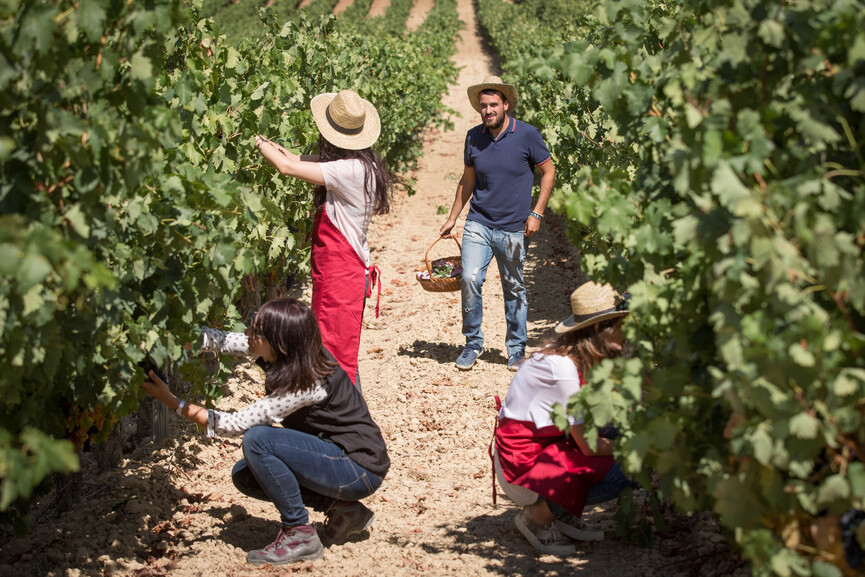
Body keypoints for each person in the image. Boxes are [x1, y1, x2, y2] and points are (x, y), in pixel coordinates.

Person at [141, 298, 390, 566]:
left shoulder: (307, 384)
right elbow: (219, 340)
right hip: (336, 455)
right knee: (246, 477)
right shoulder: (293, 351)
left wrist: (172, 402)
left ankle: (299, 534)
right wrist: (163, 338)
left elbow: (233, 425)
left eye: (256, 332)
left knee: (258, 441)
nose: (248, 334)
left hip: (358, 468)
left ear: (278, 343)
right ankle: (344, 511)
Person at [255, 89, 392, 387]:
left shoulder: (349, 170)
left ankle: (347, 420)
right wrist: (273, 145)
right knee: (333, 349)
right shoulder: (359, 162)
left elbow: (287, 167)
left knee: (334, 354)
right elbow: (295, 158)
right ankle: (344, 417)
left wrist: (254, 142)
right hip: (339, 273)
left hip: (341, 275)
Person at [492, 282, 634, 555]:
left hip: (545, 446)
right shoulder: (564, 370)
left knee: (616, 431)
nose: (627, 332)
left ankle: (562, 508)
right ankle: (538, 516)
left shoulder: (569, 355)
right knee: (627, 469)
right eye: (620, 325)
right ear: (597, 329)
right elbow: (589, 445)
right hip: (522, 466)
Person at [440, 75, 555, 372]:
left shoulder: (527, 134)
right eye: (483, 106)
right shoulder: (473, 136)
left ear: (506, 105)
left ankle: (516, 349)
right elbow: (468, 180)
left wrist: (537, 212)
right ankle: (472, 343)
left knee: (514, 287)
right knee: (469, 278)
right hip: (478, 222)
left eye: (493, 105)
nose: (488, 110)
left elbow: (548, 172)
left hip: (514, 227)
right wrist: (453, 217)